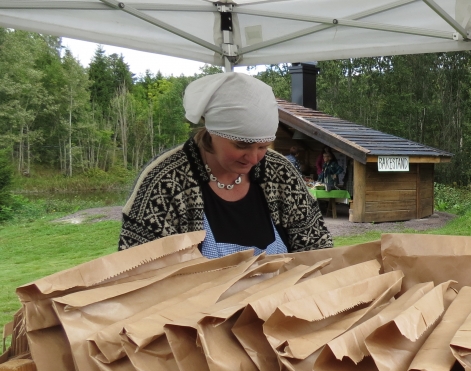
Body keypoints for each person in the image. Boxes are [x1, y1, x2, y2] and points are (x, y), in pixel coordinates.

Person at [119, 72, 332, 257]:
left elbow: (317, 247)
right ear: (213, 131)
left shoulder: (280, 173)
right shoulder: (164, 181)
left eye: (263, 146)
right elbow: (137, 270)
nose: (253, 158)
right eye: (241, 145)